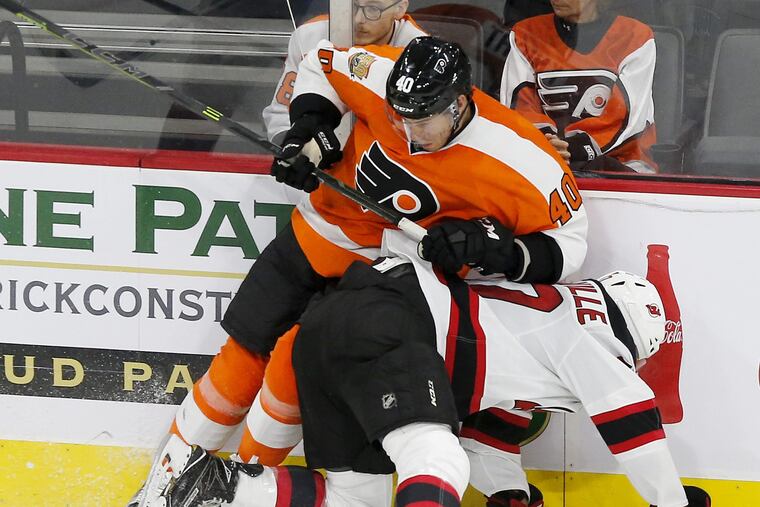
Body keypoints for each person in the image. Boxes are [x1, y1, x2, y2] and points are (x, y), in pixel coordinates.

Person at [133, 35, 587, 506]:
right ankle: (161, 489)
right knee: (242, 354)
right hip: (316, 233)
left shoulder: (523, 160)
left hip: (384, 280)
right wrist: (309, 133)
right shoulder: (379, 73)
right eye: (396, 115)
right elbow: (318, 65)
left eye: (421, 120)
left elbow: (568, 245)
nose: (406, 131)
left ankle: (236, 486)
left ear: (457, 106)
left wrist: (492, 249)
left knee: (291, 362)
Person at [147, 232, 711, 507]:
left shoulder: (540, 327)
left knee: (356, 498)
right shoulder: (587, 335)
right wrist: (675, 504)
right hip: (396, 327)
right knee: (434, 453)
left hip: (344, 316)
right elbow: (635, 426)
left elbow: (491, 444)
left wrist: (510, 496)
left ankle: (218, 488)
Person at [500, 0, 658, 173]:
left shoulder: (635, 37)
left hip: (624, 164)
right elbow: (519, 108)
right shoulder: (526, 35)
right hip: (545, 160)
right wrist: (546, 145)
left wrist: (573, 149)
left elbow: (628, 117)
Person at [263, 0, 426, 144]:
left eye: (373, 9)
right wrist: (294, 145)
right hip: (321, 158)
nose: (358, 20)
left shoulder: (419, 53)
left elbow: (420, 133)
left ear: (400, 8)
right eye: (352, 6)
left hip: (376, 163)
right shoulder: (308, 36)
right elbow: (281, 113)